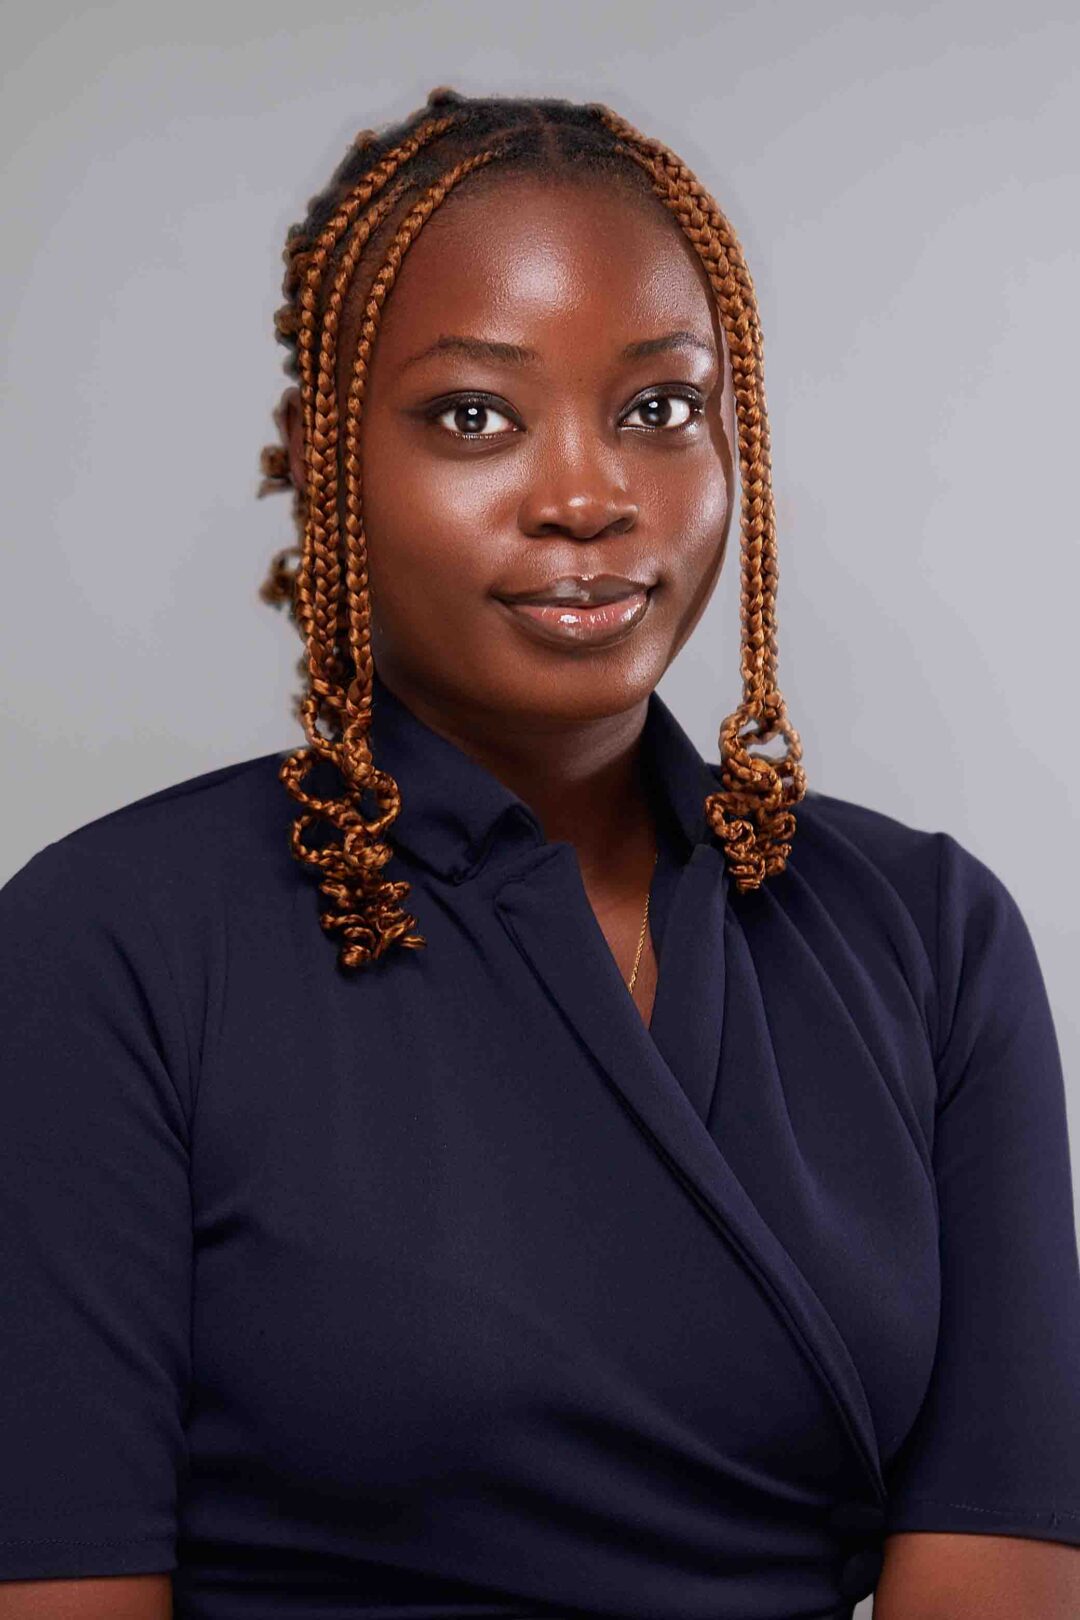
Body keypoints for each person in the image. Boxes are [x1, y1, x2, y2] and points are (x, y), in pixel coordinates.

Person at [0, 86, 1077, 1620]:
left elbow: (1003, 1566)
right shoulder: (111, 947)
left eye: (659, 408)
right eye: (474, 416)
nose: (587, 497)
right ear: (325, 459)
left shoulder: (929, 936)